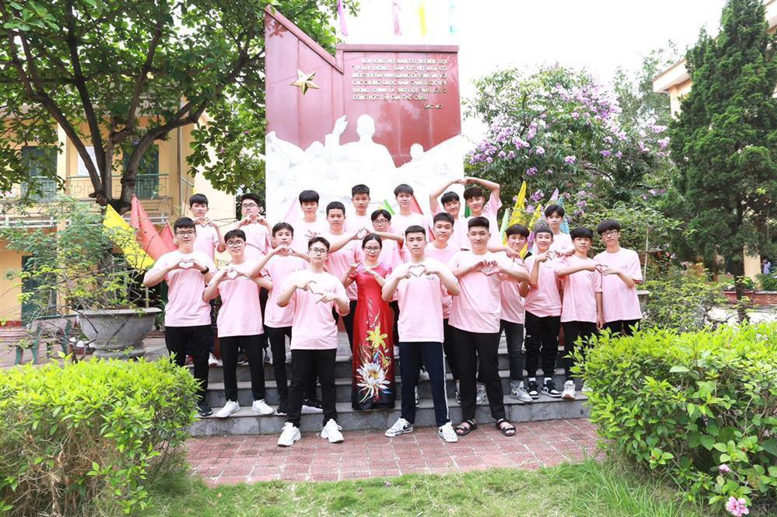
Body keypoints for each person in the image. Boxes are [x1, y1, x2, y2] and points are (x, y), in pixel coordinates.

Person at [448, 217, 529, 437]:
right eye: (474, 233)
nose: (477, 237)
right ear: (468, 236)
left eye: (482, 233)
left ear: (489, 236)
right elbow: (447, 275)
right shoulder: (460, 257)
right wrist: (472, 267)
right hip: (461, 323)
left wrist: (502, 267)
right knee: (466, 372)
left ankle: (500, 417)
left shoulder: (497, 259)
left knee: (490, 371)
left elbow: (525, 276)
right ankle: (468, 418)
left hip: (488, 323)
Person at [382, 225, 461, 443]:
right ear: (406, 243)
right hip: (408, 332)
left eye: (419, 239)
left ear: (426, 241)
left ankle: (444, 422)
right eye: (411, 239)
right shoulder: (400, 269)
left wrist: (439, 273)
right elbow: (386, 296)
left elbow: (455, 290)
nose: (415, 243)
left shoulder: (437, 266)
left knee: (437, 380)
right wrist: (396, 278)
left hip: (432, 331)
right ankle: (406, 419)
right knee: (408, 380)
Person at [276, 236, 350, 448]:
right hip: (302, 338)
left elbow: (345, 310)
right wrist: (294, 287)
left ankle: (330, 422)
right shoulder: (296, 277)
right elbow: (280, 302)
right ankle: (292, 425)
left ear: (327, 255)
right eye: (315, 250)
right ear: (308, 253)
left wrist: (335, 297)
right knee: (297, 383)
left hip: (326, 338)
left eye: (322, 250)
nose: (318, 253)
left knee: (328, 383)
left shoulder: (333, 280)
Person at [143, 217, 216, 416]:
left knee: (201, 361)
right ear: (175, 237)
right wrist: (169, 268)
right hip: (176, 319)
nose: (186, 235)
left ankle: (201, 400)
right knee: (176, 362)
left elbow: (215, 285)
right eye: (181, 232)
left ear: (195, 235)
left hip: (200, 317)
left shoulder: (203, 257)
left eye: (189, 232)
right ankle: (178, 401)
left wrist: (202, 269)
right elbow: (147, 281)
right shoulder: (167, 258)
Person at [247, 222, 319, 416]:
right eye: (280, 234)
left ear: (292, 238)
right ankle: (284, 399)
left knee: (302, 358)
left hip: (298, 316)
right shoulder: (269, 259)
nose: (284, 237)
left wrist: (300, 253)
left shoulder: (300, 260)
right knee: (278, 360)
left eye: (287, 234)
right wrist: (271, 253)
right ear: (273, 239)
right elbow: (252, 274)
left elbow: (319, 267)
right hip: (275, 317)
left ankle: (304, 396)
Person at [203, 229, 275, 418]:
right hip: (228, 324)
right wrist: (219, 278)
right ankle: (231, 401)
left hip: (252, 322)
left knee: (256, 364)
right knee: (228, 366)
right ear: (226, 247)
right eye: (231, 243)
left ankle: (259, 400)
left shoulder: (254, 267)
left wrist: (248, 274)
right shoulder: (222, 270)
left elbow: (270, 286)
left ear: (245, 244)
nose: (235, 245)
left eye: (238, 242)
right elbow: (207, 296)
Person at [342, 234, 395, 410]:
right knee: (364, 347)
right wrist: (348, 272)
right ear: (363, 249)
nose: (372, 251)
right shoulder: (358, 268)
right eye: (369, 248)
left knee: (382, 348)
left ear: (381, 249)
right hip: (363, 312)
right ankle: (365, 397)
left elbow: (389, 288)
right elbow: (340, 285)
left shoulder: (386, 267)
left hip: (382, 311)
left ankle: (383, 398)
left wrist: (373, 273)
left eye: (375, 248)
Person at [557, 227, 601, 401]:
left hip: (589, 311)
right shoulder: (567, 260)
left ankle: (588, 381)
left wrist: (600, 313)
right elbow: (560, 273)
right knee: (570, 347)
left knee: (589, 347)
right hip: (571, 311)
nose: (583, 242)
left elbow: (598, 290)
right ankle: (569, 383)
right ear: (573, 242)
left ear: (591, 243)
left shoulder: (594, 264)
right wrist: (584, 266)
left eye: (586, 239)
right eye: (579, 239)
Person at [521, 225, 563, 400]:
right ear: (534, 240)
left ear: (552, 240)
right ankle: (531, 380)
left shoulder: (558, 261)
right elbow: (533, 283)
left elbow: (561, 285)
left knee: (551, 346)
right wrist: (538, 261)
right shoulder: (529, 260)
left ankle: (548, 381)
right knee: (532, 346)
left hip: (553, 309)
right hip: (533, 309)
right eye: (540, 237)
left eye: (547, 237)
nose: (544, 240)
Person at [424, 212, 462, 398]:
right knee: (428, 351)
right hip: (428, 309)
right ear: (433, 229)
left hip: (451, 309)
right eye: (439, 227)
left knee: (454, 349)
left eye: (447, 227)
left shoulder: (457, 251)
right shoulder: (425, 250)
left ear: (452, 231)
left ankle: (459, 383)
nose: (443, 230)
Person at [189, 193, 225, 367]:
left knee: (208, 313)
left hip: (208, 275)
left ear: (207, 208)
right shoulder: (187, 226)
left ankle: (209, 352)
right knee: (189, 313)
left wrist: (217, 228)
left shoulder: (211, 228)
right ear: (190, 209)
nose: (200, 209)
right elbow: (174, 241)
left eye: (202, 206)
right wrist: (190, 226)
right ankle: (189, 353)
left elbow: (222, 248)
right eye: (196, 206)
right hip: (189, 275)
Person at [499, 224, 533, 403]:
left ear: (526, 241)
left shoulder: (523, 262)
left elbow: (523, 292)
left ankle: (517, 386)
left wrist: (525, 278)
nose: (517, 241)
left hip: (515, 313)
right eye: (513, 238)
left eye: (521, 239)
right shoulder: (498, 257)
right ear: (507, 239)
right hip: (495, 314)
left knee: (516, 351)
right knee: (488, 353)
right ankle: (482, 387)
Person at [594, 219, 643, 336]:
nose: (609, 236)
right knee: (610, 343)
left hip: (630, 309)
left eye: (612, 232)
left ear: (619, 234)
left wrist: (618, 272)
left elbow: (631, 283)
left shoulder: (630, 255)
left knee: (635, 341)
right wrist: (599, 313)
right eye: (605, 234)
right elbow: (598, 289)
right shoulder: (598, 259)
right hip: (609, 310)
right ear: (601, 238)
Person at [321, 201, 359, 349]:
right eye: (332, 216)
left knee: (354, 330)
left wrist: (342, 285)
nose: (336, 219)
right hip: (326, 293)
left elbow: (359, 265)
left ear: (344, 217)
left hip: (350, 292)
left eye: (339, 216)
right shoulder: (321, 239)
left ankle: (356, 357)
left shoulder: (354, 240)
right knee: (326, 329)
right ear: (327, 218)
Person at [462, 176, 502, 249]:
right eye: (471, 201)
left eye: (477, 199)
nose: (475, 203)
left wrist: (475, 179)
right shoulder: (465, 222)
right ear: (467, 204)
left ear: (483, 199)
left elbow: (496, 187)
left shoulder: (490, 211)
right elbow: (466, 247)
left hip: (498, 254)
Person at [428, 178, 468, 250]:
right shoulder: (441, 219)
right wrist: (452, 181)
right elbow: (432, 197)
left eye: (455, 203)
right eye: (448, 204)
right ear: (444, 207)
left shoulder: (466, 222)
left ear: (459, 204)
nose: (452, 207)